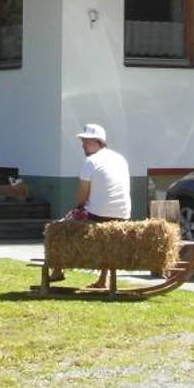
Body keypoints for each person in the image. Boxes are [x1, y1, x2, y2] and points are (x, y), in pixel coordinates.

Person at [47, 123, 132, 290]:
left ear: (98, 142)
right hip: (123, 215)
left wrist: (76, 209)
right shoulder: (119, 158)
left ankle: (57, 270)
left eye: (87, 141)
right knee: (108, 241)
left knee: (58, 228)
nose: (83, 145)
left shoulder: (91, 162)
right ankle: (102, 280)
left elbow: (82, 196)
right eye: (83, 141)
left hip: (98, 215)